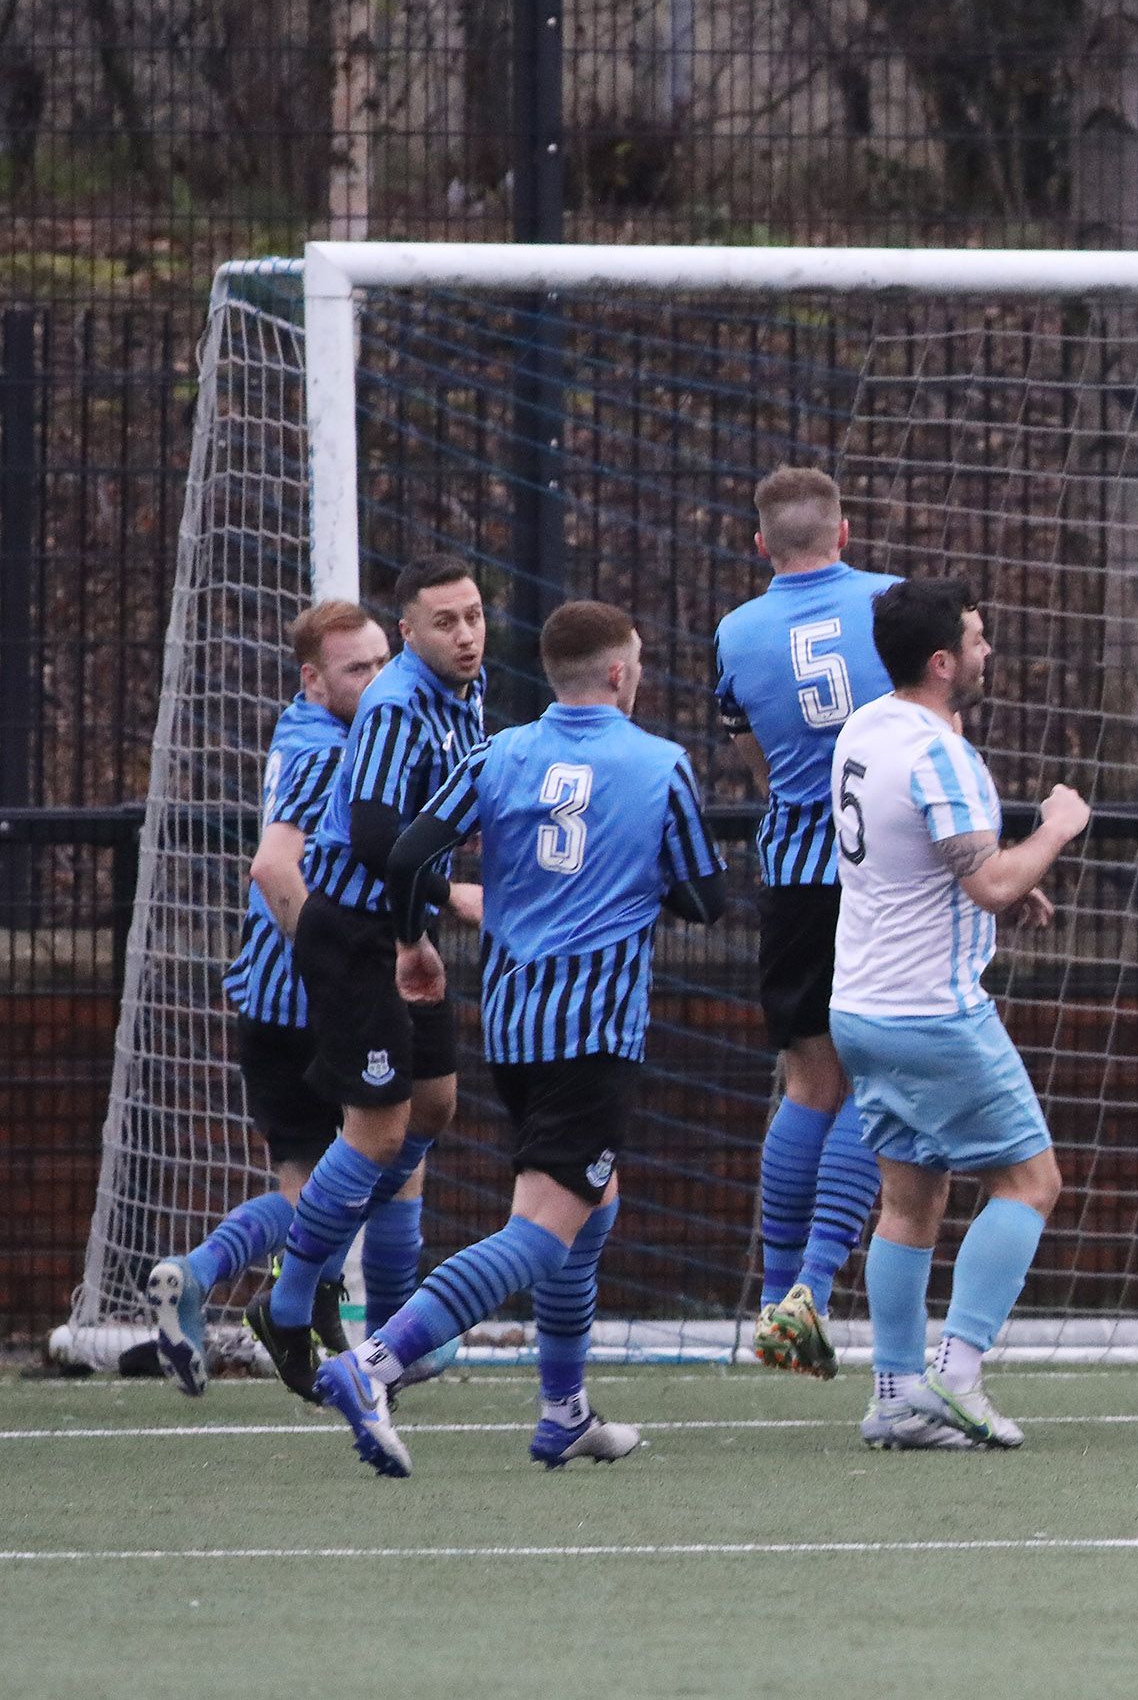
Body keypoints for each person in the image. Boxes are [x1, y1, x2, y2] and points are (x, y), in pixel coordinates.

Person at [316, 600, 727, 1477]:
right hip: (596, 1030)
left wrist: (413, 938)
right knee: (543, 1230)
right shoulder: (660, 764)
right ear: (620, 672)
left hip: (512, 1026)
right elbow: (706, 898)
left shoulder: (497, 752)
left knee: (592, 1207)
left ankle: (563, 1412)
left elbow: (405, 851)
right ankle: (373, 1361)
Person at [830, 577, 1087, 1451]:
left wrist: (1002, 892)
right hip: (930, 1013)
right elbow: (990, 876)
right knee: (1030, 1182)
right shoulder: (943, 755)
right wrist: (1055, 827)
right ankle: (958, 1372)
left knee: (909, 1201)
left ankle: (897, 1395)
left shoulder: (866, 726)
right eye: (976, 639)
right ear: (943, 663)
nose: (988, 651)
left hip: (860, 1008)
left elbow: (935, 865)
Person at [145, 602, 391, 1393]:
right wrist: (333, 972)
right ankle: (370, 1331)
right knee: (358, 1171)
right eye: (359, 669)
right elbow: (273, 869)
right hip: (304, 1006)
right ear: (313, 679)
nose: (377, 680)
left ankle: (211, 1276)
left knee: (310, 1179)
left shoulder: (305, 729)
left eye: (383, 662)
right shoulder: (327, 749)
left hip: (267, 997)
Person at [258, 555, 487, 1400]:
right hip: (351, 931)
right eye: (445, 621)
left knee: (434, 1107)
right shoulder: (394, 705)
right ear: (409, 633)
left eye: (472, 615)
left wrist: (417, 931)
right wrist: (450, 900)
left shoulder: (471, 686)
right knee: (378, 1131)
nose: (464, 633)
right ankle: (287, 1305)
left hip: (397, 926)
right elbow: (375, 839)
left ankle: (393, 1328)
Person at [713, 465, 896, 1376]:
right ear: (845, 532)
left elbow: (746, 746)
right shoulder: (892, 602)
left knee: (807, 1083)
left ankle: (774, 1296)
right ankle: (813, 1291)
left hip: (793, 871)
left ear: (761, 545)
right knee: (883, 1082)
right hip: (886, 875)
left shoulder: (736, 631)